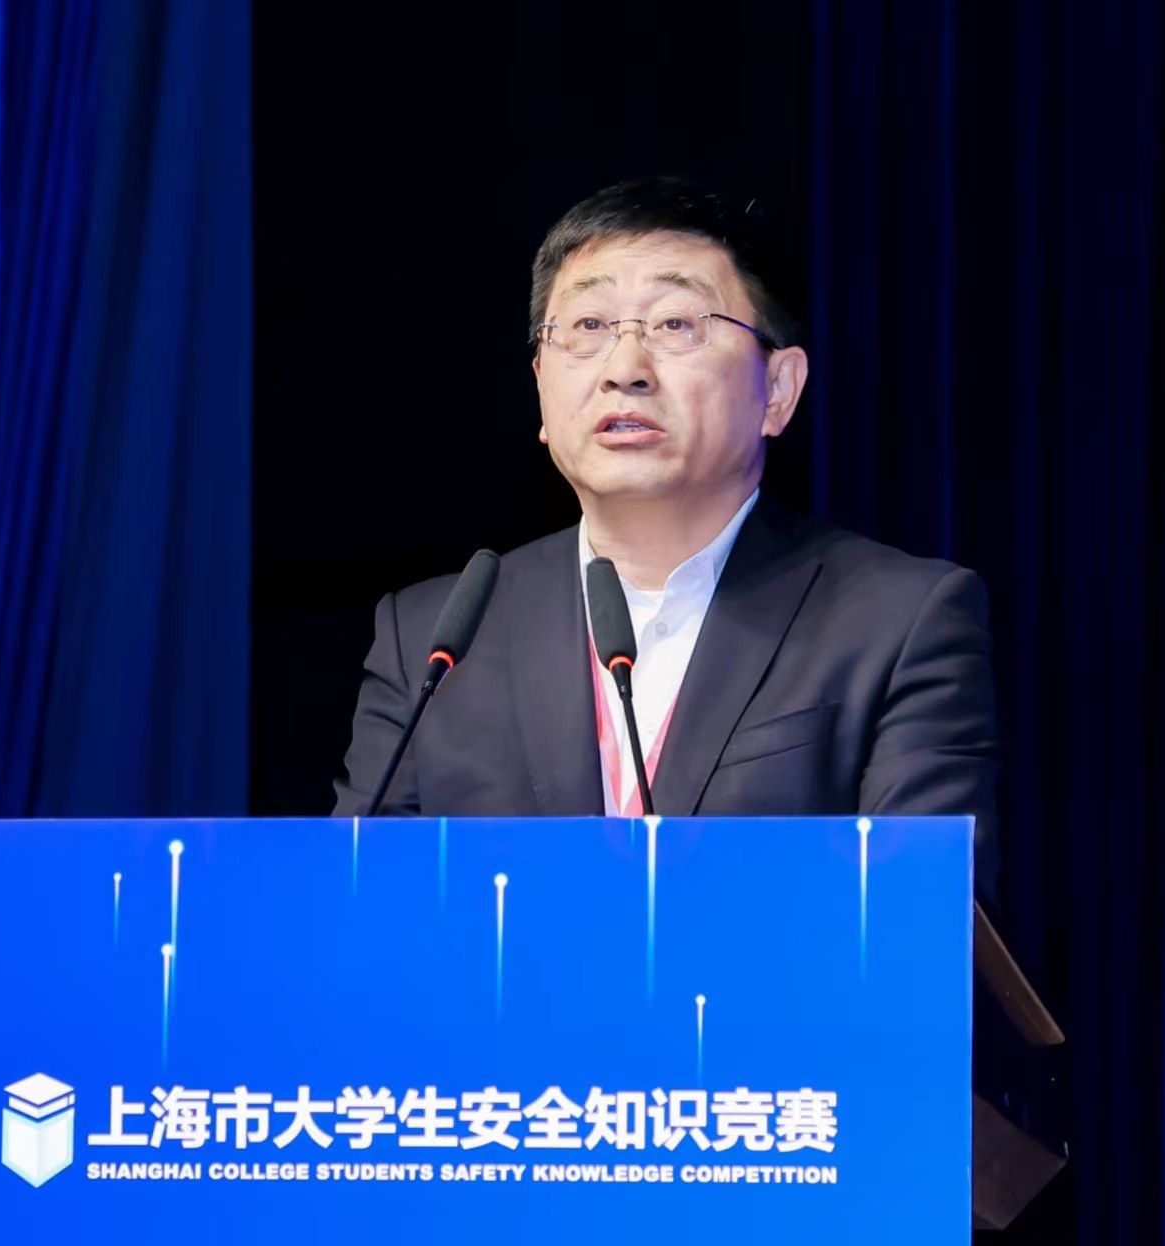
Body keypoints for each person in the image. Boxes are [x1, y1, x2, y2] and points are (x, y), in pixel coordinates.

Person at [332, 177, 1001, 904]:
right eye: (588, 326)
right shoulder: (436, 640)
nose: (624, 370)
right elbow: (358, 909)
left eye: (677, 324)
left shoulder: (897, 622)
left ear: (779, 390)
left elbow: (919, 921)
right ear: (541, 389)